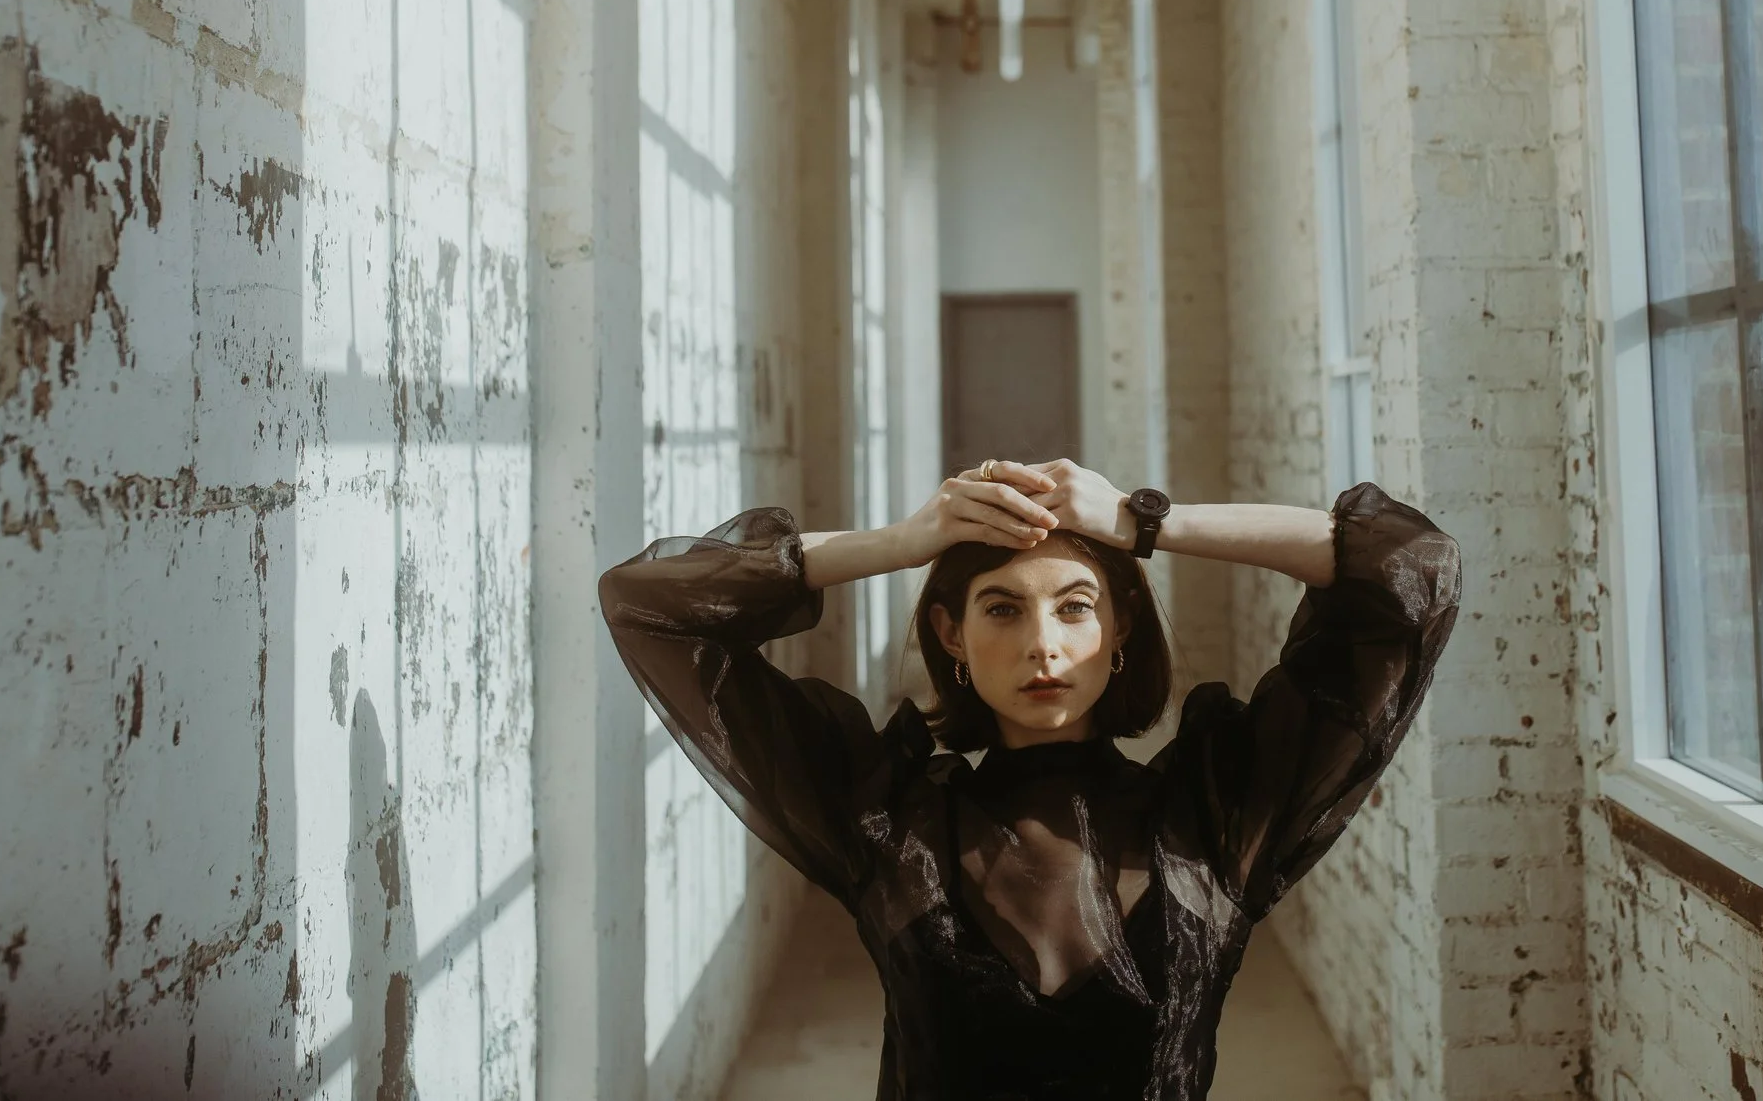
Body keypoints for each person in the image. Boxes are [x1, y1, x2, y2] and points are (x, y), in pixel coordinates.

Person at [598, 457, 1459, 1101]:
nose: (1043, 643)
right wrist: (909, 538)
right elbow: (652, 604)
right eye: (1002, 608)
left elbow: (1409, 570)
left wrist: (1143, 519)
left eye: (1075, 606)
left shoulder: (1214, 813)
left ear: (1118, 628)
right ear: (952, 634)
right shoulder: (889, 821)